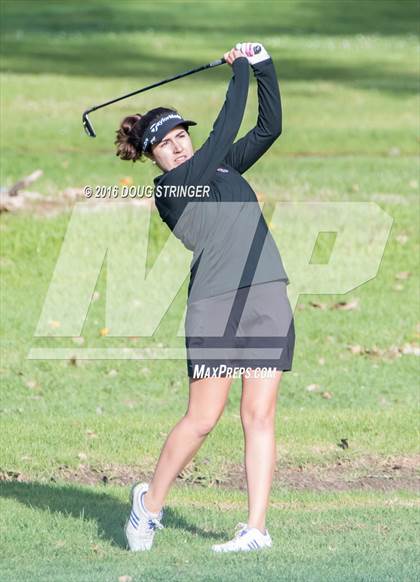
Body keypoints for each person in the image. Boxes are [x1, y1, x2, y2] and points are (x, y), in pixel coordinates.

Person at [114, 42, 295, 553]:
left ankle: (256, 529)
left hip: (266, 296)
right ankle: (149, 505)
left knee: (259, 415)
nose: (178, 147)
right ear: (152, 157)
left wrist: (262, 67)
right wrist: (237, 73)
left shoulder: (222, 170)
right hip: (215, 307)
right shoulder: (173, 189)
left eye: (180, 137)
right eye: (165, 144)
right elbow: (220, 136)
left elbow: (268, 129)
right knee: (202, 420)